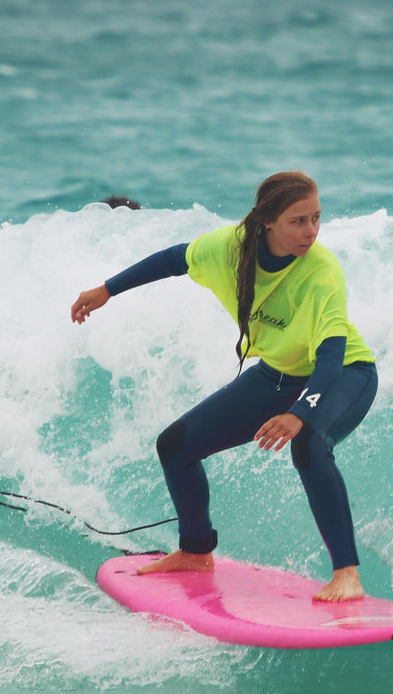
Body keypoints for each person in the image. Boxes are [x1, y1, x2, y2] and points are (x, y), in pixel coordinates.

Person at [70, 171, 377, 601]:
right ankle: (196, 552)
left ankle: (347, 575)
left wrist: (299, 413)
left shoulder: (322, 271)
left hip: (345, 372)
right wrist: (107, 289)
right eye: (298, 221)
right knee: (175, 445)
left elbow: (329, 357)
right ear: (268, 220)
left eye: (316, 218)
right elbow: (174, 259)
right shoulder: (229, 247)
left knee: (308, 443)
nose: (311, 232)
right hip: (278, 373)